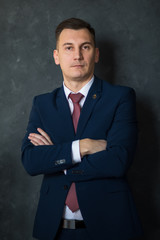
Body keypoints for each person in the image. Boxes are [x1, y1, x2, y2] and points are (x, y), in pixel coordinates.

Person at [21, 18, 143, 240]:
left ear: (95, 54)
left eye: (84, 47)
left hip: (110, 227)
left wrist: (59, 160)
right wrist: (83, 147)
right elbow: (31, 161)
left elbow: (118, 160)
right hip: (54, 230)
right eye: (68, 48)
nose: (77, 55)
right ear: (56, 56)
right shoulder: (42, 104)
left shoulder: (120, 98)